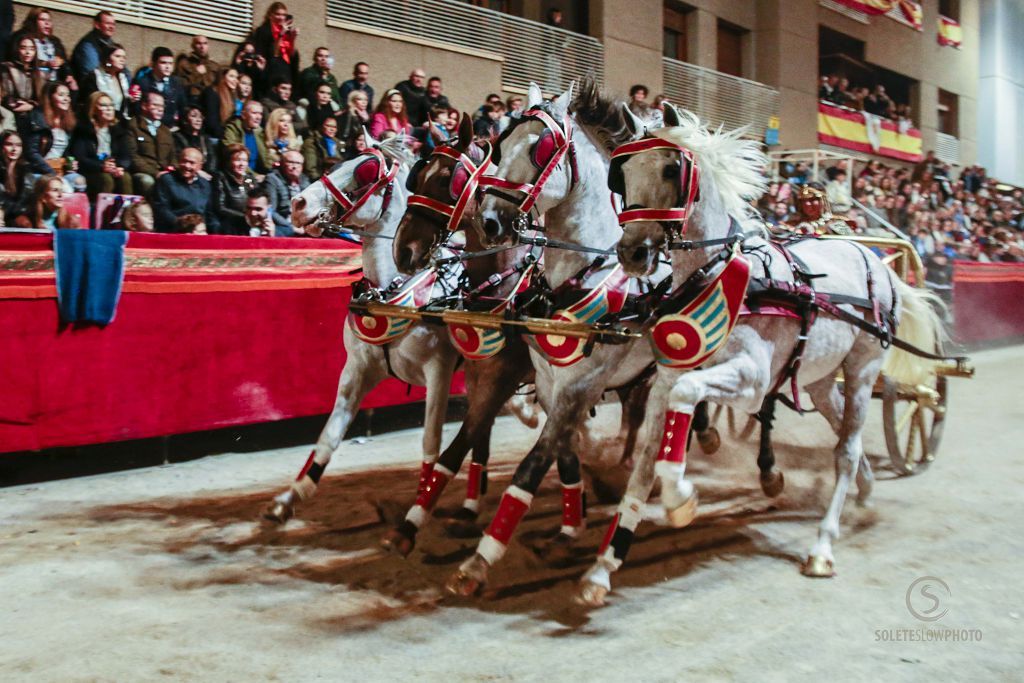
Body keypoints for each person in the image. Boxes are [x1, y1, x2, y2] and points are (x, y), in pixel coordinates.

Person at [70, 91, 133, 197]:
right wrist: (101, 166)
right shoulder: (83, 130)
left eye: (111, 105)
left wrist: (119, 167)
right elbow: (80, 158)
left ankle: (128, 211)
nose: (109, 109)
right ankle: (102, 212)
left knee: (125, 177)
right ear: (93, 109)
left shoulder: (119, 130)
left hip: (112, 168)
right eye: (104, 105)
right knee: (106, 179)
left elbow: (126, 156)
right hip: (91, 171)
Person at [152, 147, 213, 232]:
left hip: (199, 231)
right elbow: (161, 208)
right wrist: (180, 224)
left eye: (192, 163)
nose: (187, 166)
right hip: (174, 229)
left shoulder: (205, 185)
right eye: (184, 161)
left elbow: (209, 213)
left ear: (200, 166)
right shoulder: (166, 180)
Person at [22, 81, 76, 175]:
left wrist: (70, 163)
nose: (66, 99)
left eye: (68, 95)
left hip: (59, 168)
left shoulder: (67, 122)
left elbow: (64, 151)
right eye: (61, 95)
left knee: (79, 181)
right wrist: (51, 172)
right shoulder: (38, 119)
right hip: (39, 170)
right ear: (49, 98)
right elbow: (32, 153)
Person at [127, 91, 176, 194]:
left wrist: (173, 168)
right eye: (155, 105)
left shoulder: (165, 131)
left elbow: (173, 156)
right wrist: (155, 173)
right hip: (144, 172)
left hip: (165, 173)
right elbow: (132, 157)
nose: (160, 109)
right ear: (144, 106)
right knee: (147, 181)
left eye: (162, 106)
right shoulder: (133, 126)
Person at [12, 8, 73, 89]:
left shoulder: (54, 41)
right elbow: (19, 60)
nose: (47, 23)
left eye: (49, 20)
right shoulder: (22, 38)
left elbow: (64, 61)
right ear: (33, 22)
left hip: (53, 84)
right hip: (32, 81)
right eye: (42, 20)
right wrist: (46, 63)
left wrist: (67, 73)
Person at [133, 47, 188, 129]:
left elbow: (183, 107)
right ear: (153, 64)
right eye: (163, 63)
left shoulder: (176, 83)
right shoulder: (142, 82)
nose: (167, 67)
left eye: (170, 63)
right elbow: (137, 109)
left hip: (170, 129)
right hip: (147, 128)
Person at [78, 43, 135, 122]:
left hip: (117, 122)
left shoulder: (122, 78)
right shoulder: (94, 77)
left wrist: (132, 100)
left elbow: (123, 106)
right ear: (107, 59)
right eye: (117, 56)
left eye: (124, 57)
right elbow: (88, 102)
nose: (122, 60)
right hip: (96, 121)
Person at [211, 143, 260, 235]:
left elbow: (259, 200)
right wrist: (245, 217)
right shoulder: (220, 177)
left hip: (251, 220)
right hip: (230, 223)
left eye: (245, 160)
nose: (242, 164)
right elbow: (220, 208)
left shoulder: (250, 178)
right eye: (237, 160)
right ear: (228, 161)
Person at [249, 2, 299, 89]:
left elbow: (292, 56)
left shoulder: (287, 31)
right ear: (270, 15)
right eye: (277, 14)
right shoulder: (263, 31)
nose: (281, 18)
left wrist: (293, 38)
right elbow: (273, 54)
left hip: (285, 70)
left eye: (284, 15)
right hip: (271, 71)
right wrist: (280, 35)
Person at [264, 149, 308, 236]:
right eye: (291, 162)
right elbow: (270, 210)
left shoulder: (305, 181)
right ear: (282, 164)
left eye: (298, 163)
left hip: (303, 225)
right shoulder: (272, 179)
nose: (294, 166)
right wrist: (291, 227)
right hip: (282, 225)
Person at [221, 100, 271, 173]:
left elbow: (266, 160)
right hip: (240, 175)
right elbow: (233, 159)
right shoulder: (231, 130)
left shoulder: (259, 133)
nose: (258, 117)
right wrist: (255, 176)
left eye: (260, 114)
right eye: (254, 113)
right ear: (243, 115)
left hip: (259, 176)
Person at [15, 175, 80, 229]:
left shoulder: (71, 221)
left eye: (61, 190)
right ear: (43, 197)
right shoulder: (25, 222)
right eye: (55, 190)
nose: (60, 195)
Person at [70, 11, 117, 83]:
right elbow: (94, 74)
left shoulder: (109, 43)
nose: (111, 27)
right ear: (97, 25)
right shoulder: (87, 45)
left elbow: (122, 69)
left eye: (113, 24)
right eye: (108, 23)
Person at [174, 35, 221, 104]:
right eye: (199, 43)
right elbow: (180, 85)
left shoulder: (214, 66)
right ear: (193, 46)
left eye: (205, 43)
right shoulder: (185, 64)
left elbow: (219, 86)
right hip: (192, 99)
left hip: (210, 101)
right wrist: (196, 73)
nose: (202, 47)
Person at [173, 105, 216, 175]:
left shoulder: (205, 139)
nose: (198, 120)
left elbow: (212, 158)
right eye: (194, 116)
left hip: (206, 174)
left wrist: (209, 173)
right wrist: (197, 172)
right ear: (185, 120)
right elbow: (178, 159)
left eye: (200, 117)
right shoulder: (177, 137)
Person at [0, 130, 33, 220]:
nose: (14, 149)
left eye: (18, 145)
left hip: (18, 214)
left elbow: (27, 200)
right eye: (9, 144)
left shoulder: (26, 170)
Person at [201, 67, 242, 139]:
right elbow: (211, 123)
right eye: (231, 76)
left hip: (226, 134)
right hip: (213, 137)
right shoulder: (212, 92)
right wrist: (225, 136)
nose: (235, 80)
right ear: (222, 77)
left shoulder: (233, 96)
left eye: (237, 77)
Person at [336, 89, 370, 156]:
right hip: (349, 150)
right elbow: (344, 134)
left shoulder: (365, 116)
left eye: (366, 100)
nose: (364, 102)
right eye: (360, 99)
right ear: (353, 101)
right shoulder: (349, 115)